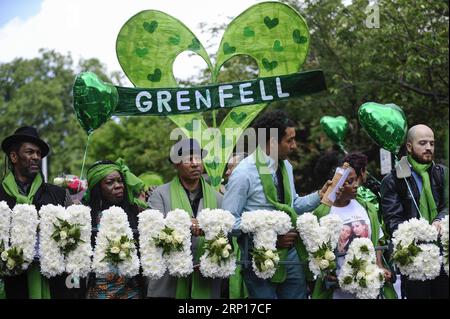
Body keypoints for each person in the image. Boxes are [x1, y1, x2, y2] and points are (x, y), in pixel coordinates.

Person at [222, 110, 330, 299]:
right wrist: (270, 236)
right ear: (272, 142)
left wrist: (320, 195)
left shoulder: (285, 166)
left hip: (290, 253)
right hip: (259, 256)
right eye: (289, 141)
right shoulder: (243, 173)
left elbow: (292, 205)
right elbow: (227, 221)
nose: (294, 146)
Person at [0, 126, 83, 299]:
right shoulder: (1, 194)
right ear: (14, 156)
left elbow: (76, 245)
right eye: (30, 152)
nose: (36, 157)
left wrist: (75, 287)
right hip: (12, 283)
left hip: (55, 284)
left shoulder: (59, 194)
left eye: (38, 153)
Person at [311, 152, 396, 299]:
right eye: (349, 182)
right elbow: (314, 250)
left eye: (355, 179)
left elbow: (377, 242)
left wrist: (379, 266)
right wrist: (326, 273)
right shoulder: (322, 212)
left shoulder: (367, 208)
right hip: (338, 290)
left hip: (368, 288)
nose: (356, 185)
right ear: (335, 184)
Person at [146, 138, 223, 298]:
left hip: (205, 274)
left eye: (198, 158)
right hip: (169, 279)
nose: (195, 164)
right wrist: (183, 222)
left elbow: (225, 232)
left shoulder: (218, 197)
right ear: (176, 164)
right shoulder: (160, 194)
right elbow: (153, 230)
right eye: (188, 159)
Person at [381, 124, 449, 299]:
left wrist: (440, 220)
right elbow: (392, 221)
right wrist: (420, 233)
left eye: (432, 143)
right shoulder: (393, 179)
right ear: (409, 147)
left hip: (444, 256)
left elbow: (448, 205)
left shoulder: (442, 173)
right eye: (423, 143)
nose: (429, 148)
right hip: (415, 260)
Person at [84, 158, 147, 299]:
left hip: (131, 290)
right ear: (97, 188)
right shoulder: (87, 215)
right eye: (110, 182)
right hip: (99, 290)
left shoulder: (135, 212)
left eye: (120, 181)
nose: (118, 186)